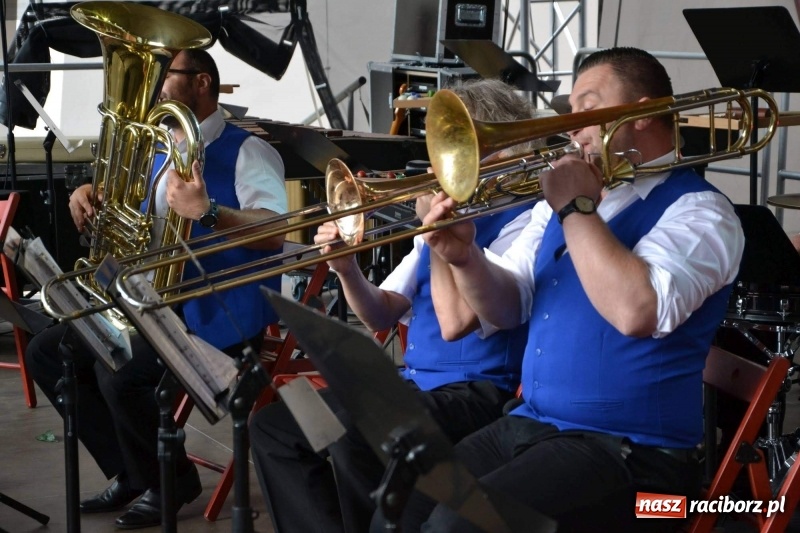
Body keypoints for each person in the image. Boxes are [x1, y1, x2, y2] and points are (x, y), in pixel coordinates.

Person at [393, 47, 745, 532]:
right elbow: (508, 308)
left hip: (636, 459)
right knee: (405, 500)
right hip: (535, 424)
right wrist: (463, 257)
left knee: (459, 525)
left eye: (589, 107)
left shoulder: (702, 212)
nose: (573, 127)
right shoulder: (558, 206)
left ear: (642, 113)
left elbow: (636, 311)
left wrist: (577, 208)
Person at [249, 78, 540, 533]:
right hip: (412, 384)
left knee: (349, 433)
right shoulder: (446, 224)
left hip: (479, 392)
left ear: (501, 152)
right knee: (275, 426)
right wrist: (346, 268)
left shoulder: (526, 223)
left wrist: (439, 231)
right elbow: (380, 313)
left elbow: (455, 324)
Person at [25, 48, 288, 529]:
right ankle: (131, 469)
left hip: (217, 309)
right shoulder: (158, 146)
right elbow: (133, 216)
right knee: (47, 352)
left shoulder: (249, 151)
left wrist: (209, 211)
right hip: (154, 301)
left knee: (120, 373)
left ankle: (170, 479)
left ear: (203, 83)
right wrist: (90, 196)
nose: (156, 86)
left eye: (168, 74)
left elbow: (275, 231)